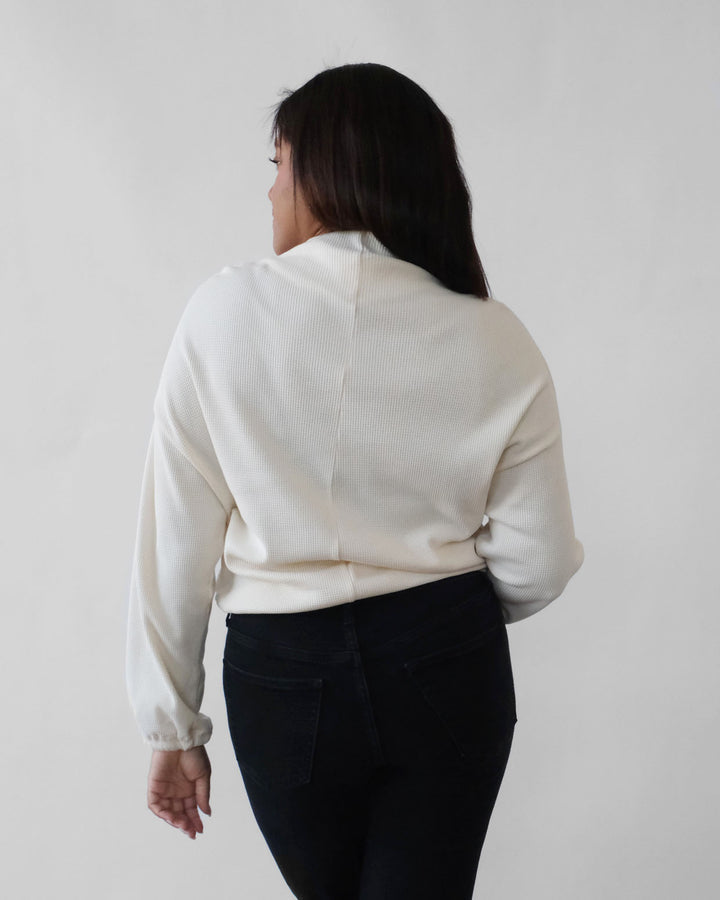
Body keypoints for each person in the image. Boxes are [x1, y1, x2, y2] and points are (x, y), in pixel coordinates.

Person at [126, 62, 583, 899]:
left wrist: (172, 724)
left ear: (327, 172)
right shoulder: (495, 336)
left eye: (279, 164)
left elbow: (175, 542)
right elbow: (541, 561)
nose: (270, 191)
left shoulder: (223, 315)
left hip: (282, 677)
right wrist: (441, 617)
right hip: (445, 662)